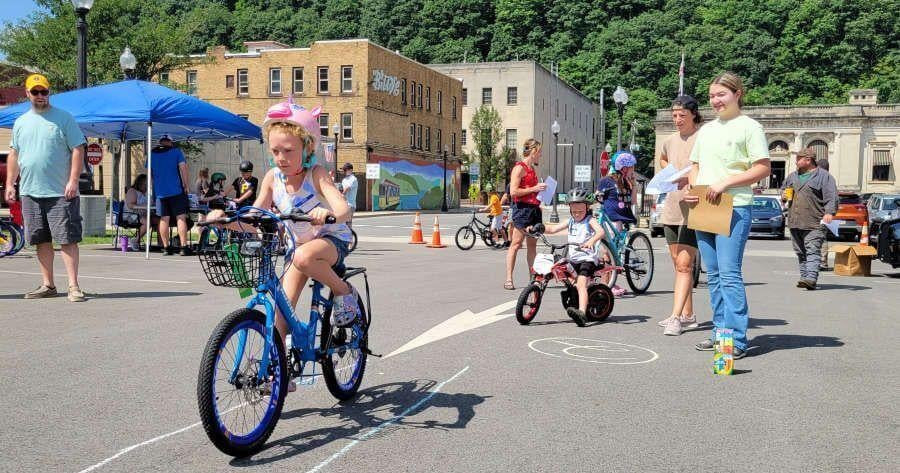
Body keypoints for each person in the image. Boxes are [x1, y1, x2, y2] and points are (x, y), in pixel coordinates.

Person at [206, 101, 357, 391]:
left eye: (289, 151)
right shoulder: (272, 178)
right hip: (298, 250)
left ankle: (343, 291)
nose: (281, 158)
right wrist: (225, 220)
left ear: (307, 148)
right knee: (280, 314)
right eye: (275, 151)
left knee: (302, 257)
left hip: (331, 240)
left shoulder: (317, 175)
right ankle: (281, 371)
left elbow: (343, 208)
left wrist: (328, 213)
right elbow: (256, 217)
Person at [683, 72, 771, 359]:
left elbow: (762, 168)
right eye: (712, 96)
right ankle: (720, 332)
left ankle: (736, 340)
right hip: (704, 205)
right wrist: (694, 187)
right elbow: (694, 164)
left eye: (721, 94)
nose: (715, 100)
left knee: (730, 274)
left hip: (734, 205)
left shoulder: (750, 128)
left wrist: (725, 183)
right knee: (715, 275)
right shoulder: (707, 130)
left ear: (737, 94)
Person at [5, 74, 87, 302]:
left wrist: (73, 180)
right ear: (27, 93)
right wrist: (11, 183)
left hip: (60, 192)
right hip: (30, 191)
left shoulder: (63, 118)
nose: (40, 96)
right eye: (35, 92)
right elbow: (14, 153)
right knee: (40, 239)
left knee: (67, 238)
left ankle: (73, 286)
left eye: (44, 92)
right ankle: (48, 285)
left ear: (49, 93)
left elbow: (78, 149)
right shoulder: (21, 122)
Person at [658, 95, 702, 336]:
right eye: (674, 115)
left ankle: (675, 318)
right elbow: (663, 159)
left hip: (694, 206)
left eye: (682, 115)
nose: (677, 119)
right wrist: (670, 172)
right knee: (678, 264)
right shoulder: (669, 140)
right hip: (672, 205)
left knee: (685, 265)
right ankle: (688, 315)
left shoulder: (703, 137)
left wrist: (691, 179)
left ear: (693, 114)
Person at [531, 188, 605, 326]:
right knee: (567, 278)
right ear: (570, 209)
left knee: (581, 284)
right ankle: (573, 298)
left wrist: (591, 241)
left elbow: (601, 232)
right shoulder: (571, 221)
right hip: (574, 259)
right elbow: (553, 229)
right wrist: (539, 227)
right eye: (574, 211)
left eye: (580, 211)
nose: (577, 214)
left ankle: (582, 313)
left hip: (587, 259)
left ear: (587, 208)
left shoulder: (590, 220)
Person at [781, 148, 837, 290]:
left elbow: (832, 197)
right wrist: (783, 196)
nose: (796, 161)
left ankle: (811, 279)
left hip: (814, 221)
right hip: (795, 221)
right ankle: (804, 277)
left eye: (799, 158)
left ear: (808, 160)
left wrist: (829, 212)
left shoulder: (824, 177)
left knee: (812, 250)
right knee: (800, 251)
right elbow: (784, 189)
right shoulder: (793, 176)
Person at [504, 138, 547, 290]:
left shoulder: (532, 170)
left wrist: (541, 195)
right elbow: (513, 191)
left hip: (534, 209)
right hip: (522, 209)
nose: (540, 155)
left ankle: (533, 278)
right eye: (539, 152)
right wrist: (534, 188)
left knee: (532, 246)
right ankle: (509, 278)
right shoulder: (519, 168)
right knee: (515, 244)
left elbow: (532, 190)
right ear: (533, 151)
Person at [596, 151, 638, 296]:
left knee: (612, 251)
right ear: (624, 167)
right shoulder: (607, 180)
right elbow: (598, 197)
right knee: (607, 252)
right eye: (631, 167)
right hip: (610, 217)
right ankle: (606, 283)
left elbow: (632, 202)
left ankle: (609, 283)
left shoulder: (627, 182)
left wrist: (634, 186)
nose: (633, 169)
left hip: (620, 218)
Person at [149, 135, 193, 256]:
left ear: (160, 142)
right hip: (176, 191)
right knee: (181, 218)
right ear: (170, 142)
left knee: (164, 219)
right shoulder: (176, 152)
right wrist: (186, 185)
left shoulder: (152, 154)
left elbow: (150, 173)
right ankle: (183, 247)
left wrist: (156, 185)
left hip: (160, 193)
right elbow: (183, 168)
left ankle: (166, 247)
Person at [124, 173, 159, 250]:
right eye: (146, 184)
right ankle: (135, 240)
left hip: (144, 214)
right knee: (147, 223)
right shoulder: (132, 191)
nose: (147, 186)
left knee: (161, 220)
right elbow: (131, 205)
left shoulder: (147, 193)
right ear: (140, 183)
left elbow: (151, 204)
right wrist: (145, 207)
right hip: (131, 215)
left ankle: (161, 244)